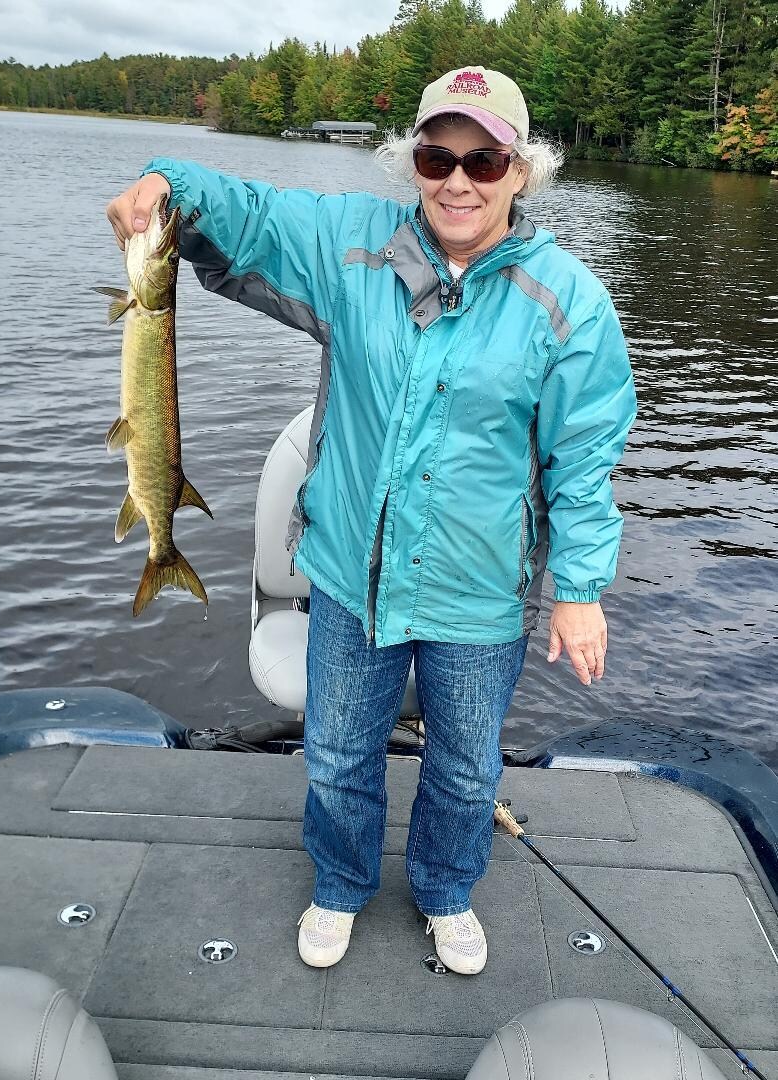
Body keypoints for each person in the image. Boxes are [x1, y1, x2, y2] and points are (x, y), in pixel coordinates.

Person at [107, 66, 636, 976]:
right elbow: (253, 214)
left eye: (484, 158)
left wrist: (581, 588)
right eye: (437, 155)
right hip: (352, 576)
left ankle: (445, 888)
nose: (457, 179)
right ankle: (342, 883)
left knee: (467, 773)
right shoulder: (352, 246)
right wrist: (172, 184)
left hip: (480, 595)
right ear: (414, 161)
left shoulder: (570, 301)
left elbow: (583, 460)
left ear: (521, 172)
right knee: (338, 758)